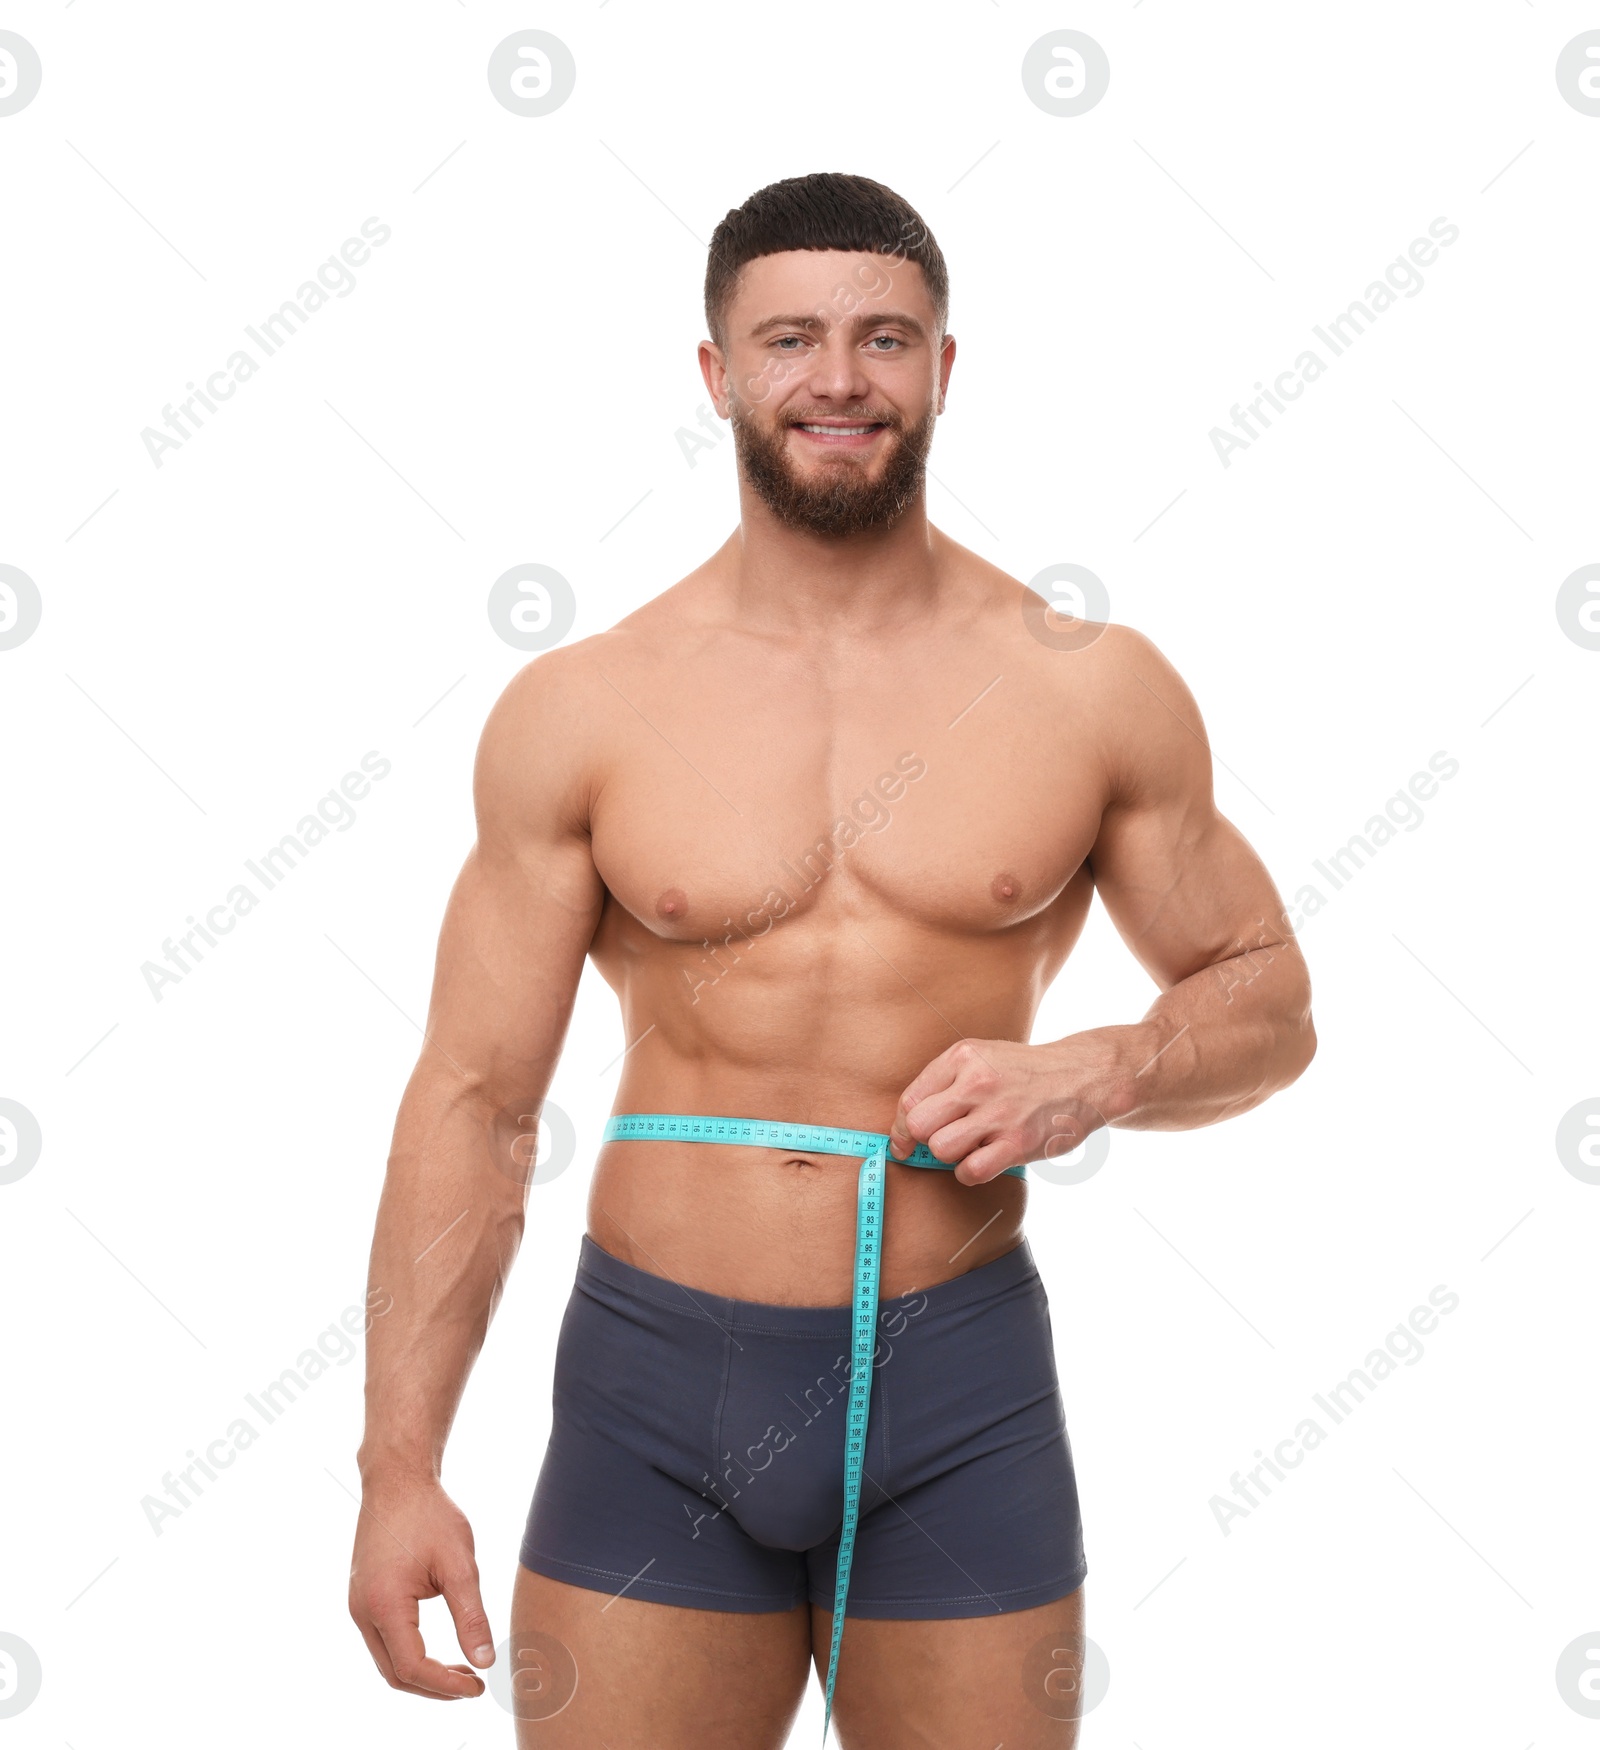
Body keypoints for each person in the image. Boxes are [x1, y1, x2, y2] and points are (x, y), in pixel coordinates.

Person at [347, 171, 1316, 1748]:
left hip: (959, 1388)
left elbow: (1270, 994)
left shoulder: (1088, 687)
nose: (840, 378)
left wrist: (1104, 1065)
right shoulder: (585, 705)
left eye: (885, 338)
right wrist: (398, 1465)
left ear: (945, 367)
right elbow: (472, 1098)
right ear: (718, 375)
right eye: (790, 338)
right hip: (654, 1388)